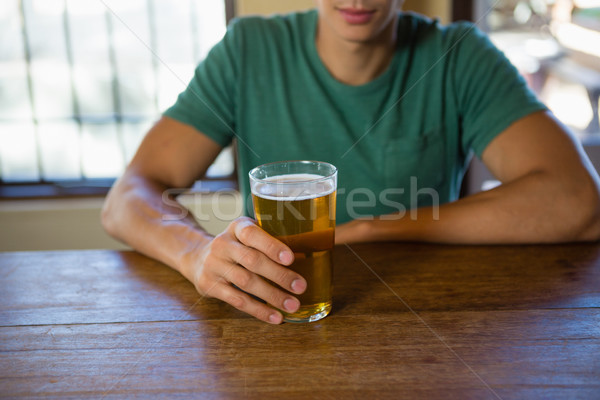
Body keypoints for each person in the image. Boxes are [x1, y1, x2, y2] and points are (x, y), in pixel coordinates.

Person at [102, 0, 600, 324]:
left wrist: (369, 230)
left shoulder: (458, 56)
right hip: (278, 313)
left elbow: (579, 203)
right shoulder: (247, 51)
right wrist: (195, 254)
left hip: (424, 317)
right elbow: (127, 197)